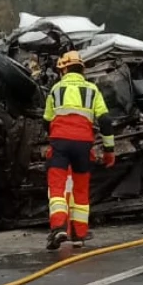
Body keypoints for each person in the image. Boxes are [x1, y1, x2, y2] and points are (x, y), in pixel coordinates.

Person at [42, 50, 116, 251]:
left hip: (60, 143)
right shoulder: (92, 90)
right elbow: (106, 121)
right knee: (81, 189)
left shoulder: (56, 89)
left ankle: (58, 228)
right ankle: (79, 235)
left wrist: (52, 138)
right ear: (82, 68)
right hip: (84, 144)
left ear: (64, 69)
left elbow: (47, 120)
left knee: (57, 188)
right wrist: (109, 150)